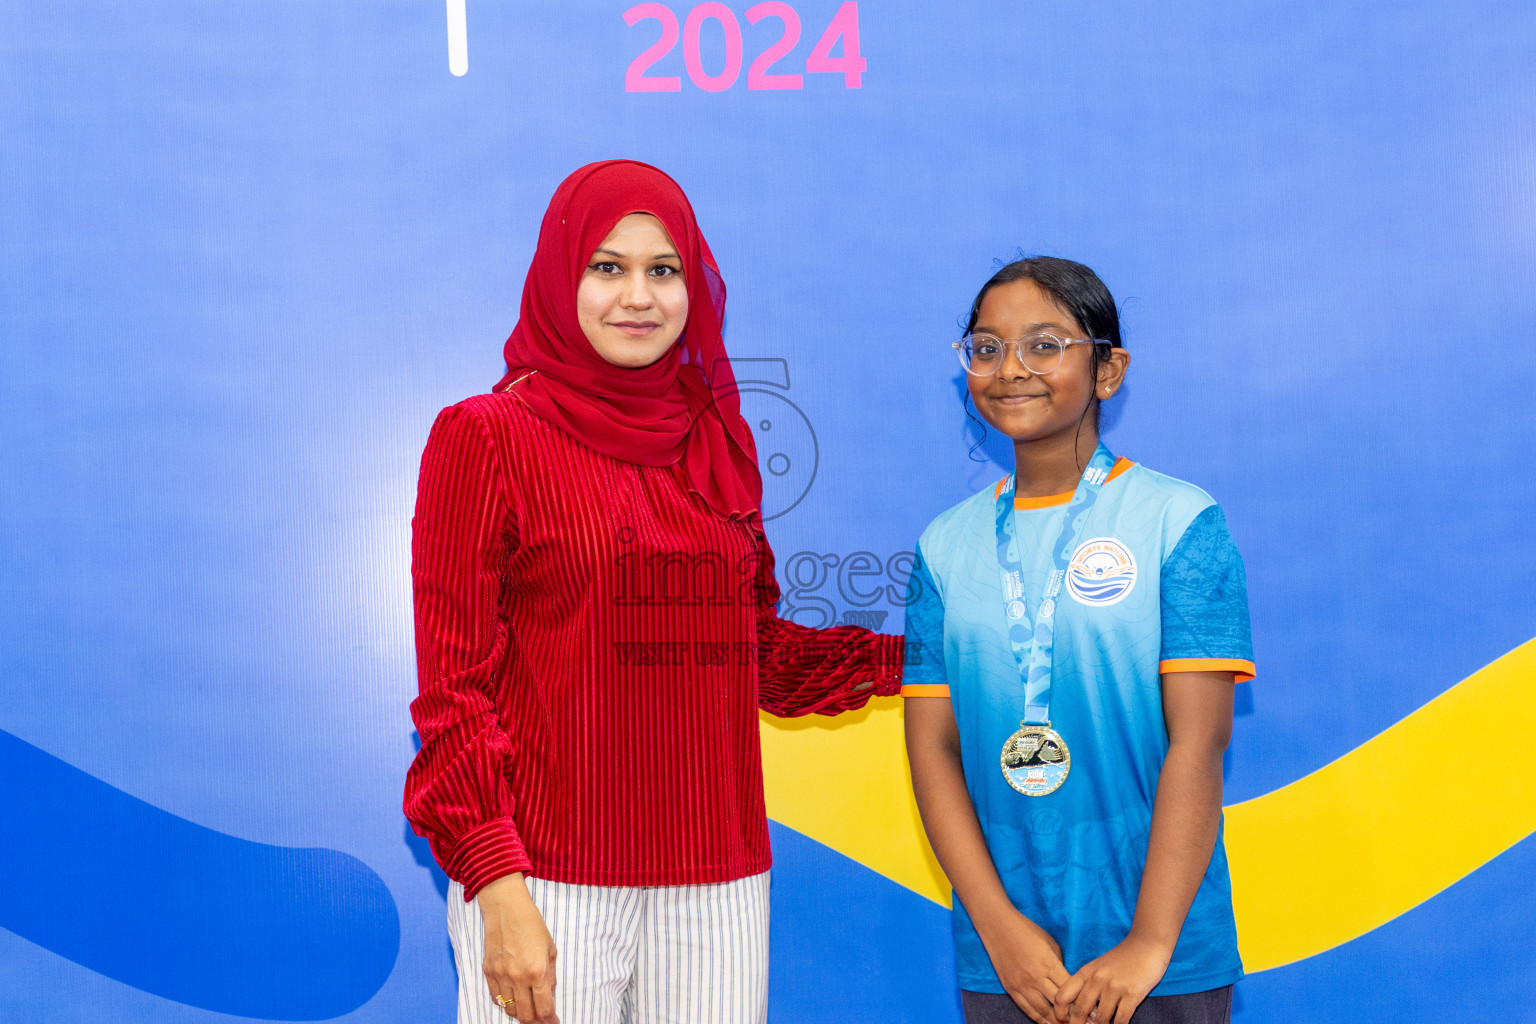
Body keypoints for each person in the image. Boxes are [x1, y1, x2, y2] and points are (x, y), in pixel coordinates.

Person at [402, 160, 902, 1024]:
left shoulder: (715, 436)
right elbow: (454, 690)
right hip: (547, 879)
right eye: (608, 266)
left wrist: (936, 654)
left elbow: (762, 657)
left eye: (662, 270)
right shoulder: (486, 437)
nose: (638, 296)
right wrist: (497, 887)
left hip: (718, 879)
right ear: (562, 279)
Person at [902, 257, 1253, 1024]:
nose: (1011, 370)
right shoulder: (943, 546)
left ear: (1108, 369)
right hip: (1007, 960)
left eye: (1046, 345)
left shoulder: (1179, 523)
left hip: (1158, 960)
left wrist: (1150, 943)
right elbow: (932, 748)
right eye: (986, 348)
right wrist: (998, 929)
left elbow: (1200, 744)